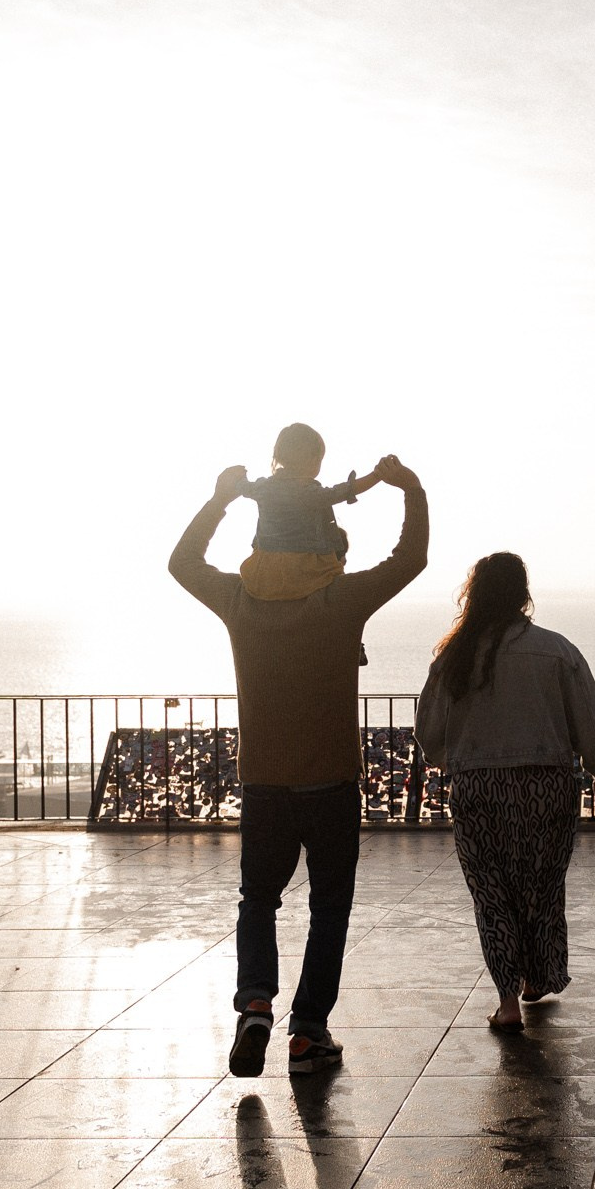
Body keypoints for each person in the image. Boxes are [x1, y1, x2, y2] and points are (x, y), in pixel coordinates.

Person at [170, 449, 428, 1077]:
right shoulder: (341, 597)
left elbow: (181, 563)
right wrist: (410, 488)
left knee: (258, 896)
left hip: (263, 778)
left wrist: (220, 498)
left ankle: (256, 1004)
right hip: (331, 778)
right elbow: (411, 558)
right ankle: (309, 1031)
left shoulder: (238, 596)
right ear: (327, 550)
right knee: (329, 906)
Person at [414, 552, 595, 1032]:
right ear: (523, 591)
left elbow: (428, 730)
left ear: (475, 593)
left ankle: (507, 1000)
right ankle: (537, 978)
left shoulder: (455, 657)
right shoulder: (557, 650)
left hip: (479, 784)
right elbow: (587, 717)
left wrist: (444, 759)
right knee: (541, 887)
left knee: (491, 891)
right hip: (547, 782)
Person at [238, 422, 380, 601]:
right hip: (301, 569)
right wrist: (377, 476)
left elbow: (244, 487)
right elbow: (343, 491)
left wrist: (239, 478)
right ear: (311, 459)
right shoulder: (307, 493)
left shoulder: (262, 487)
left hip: (265, 569)